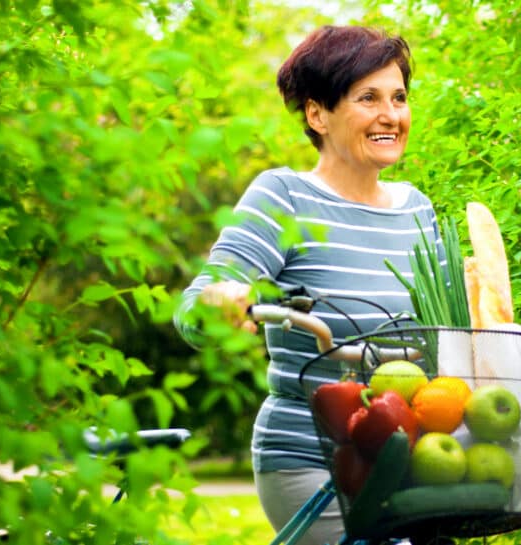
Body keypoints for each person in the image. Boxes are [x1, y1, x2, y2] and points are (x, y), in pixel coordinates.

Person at [174, 25, 446, 545]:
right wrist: (220, 300)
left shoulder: (418, 209)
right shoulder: (286, 197)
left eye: (399, 97)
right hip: (309, 457)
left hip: (409, 455)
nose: (391, 115)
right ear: (318, 114)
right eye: (368, 98)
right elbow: (197, 305)